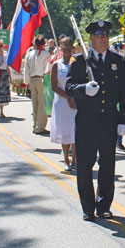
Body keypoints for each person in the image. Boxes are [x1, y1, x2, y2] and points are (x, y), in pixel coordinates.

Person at [65, 20, 125, 221]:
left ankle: (104, 205)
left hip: (109, 120)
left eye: (106, 35)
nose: (104, 39)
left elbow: (124, 93)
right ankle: (87, 207)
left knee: (108, 164)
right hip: (87, 121)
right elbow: (68, 87)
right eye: (100, 35)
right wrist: (83, 89)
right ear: (91, 38)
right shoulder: (79, 61)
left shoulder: (118, 61)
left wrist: (124, 119)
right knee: (85, 165)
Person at [50, 36, 77, 171]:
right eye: (63, 45)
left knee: (75, 131)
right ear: (60, 48)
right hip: (62, 102)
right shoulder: (56, 65)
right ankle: (66, 159)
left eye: (68, 45)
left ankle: (75, 159)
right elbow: (54, 86)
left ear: (73, 47)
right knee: (65, 130)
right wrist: (68, 97)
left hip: (76, 102)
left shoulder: (77, 63)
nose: (66, 48)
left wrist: (75, 98)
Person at [24, 35, 51, 135]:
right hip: (41, 79)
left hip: (32, 79)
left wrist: (27, 82)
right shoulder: (46, 54)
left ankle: (35, 125)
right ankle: (40, 127)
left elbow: (26, 69)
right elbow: (47, 69)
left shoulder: (29, 54)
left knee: (34, 103)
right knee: (42, 104)